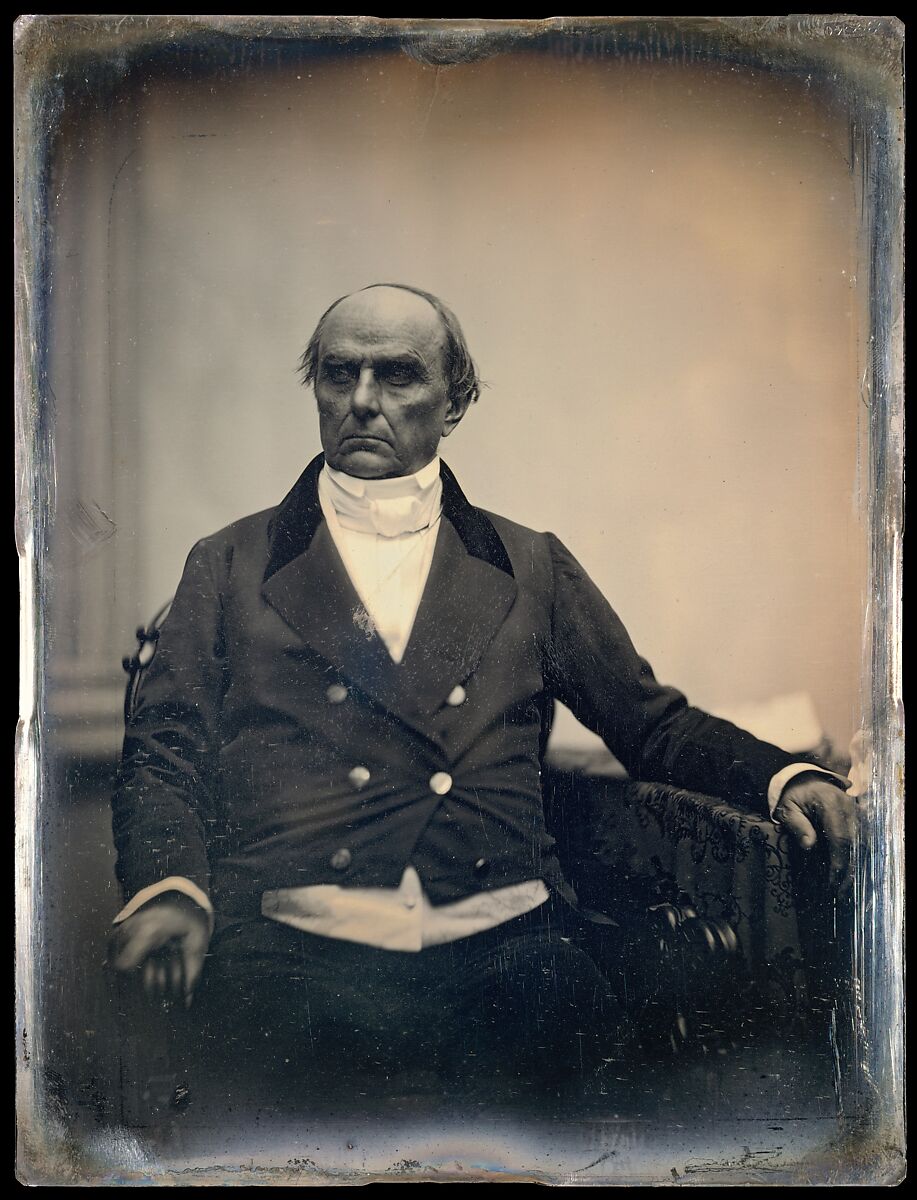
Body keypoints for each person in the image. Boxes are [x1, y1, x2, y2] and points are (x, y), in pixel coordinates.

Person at [109, 283, 855, 1107]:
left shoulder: (529, 564)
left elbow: (650, 724)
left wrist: (781, 775)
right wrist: (171, 886)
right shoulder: (229, 563)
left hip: (509, 949)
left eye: (397, 375)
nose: (362, 401)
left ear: (455, 402)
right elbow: (164, 753)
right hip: (296, 950)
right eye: (338, 373)